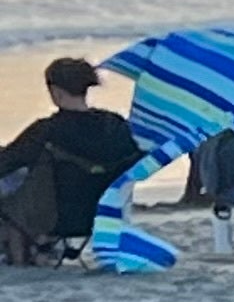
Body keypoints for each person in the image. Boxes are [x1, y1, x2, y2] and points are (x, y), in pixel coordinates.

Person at [0, 56, 140, 265]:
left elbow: (7, 161)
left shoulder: (47, 130)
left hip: (56, 217)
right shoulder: (115, 126)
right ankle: (43, 249)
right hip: (104, 213)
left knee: (11, 199)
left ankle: (21, 260)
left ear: (55, 92)